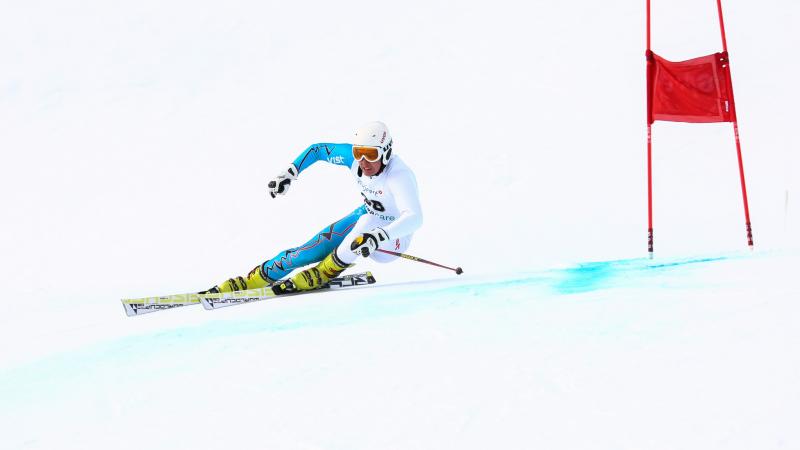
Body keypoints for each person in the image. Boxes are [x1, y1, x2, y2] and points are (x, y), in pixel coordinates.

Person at [204, 121, 423, 294]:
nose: (364, 161)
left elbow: (415, 218)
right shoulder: (356, 162)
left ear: (385, 152)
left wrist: (378, 236)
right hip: (368, 219)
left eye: (371, 154)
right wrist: (290, 173)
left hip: (393, 239)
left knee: (366, 221)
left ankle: (324, 271)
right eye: (358, 153)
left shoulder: (399, 176)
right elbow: (318, 150)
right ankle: (253, 280)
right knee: (308, 251)